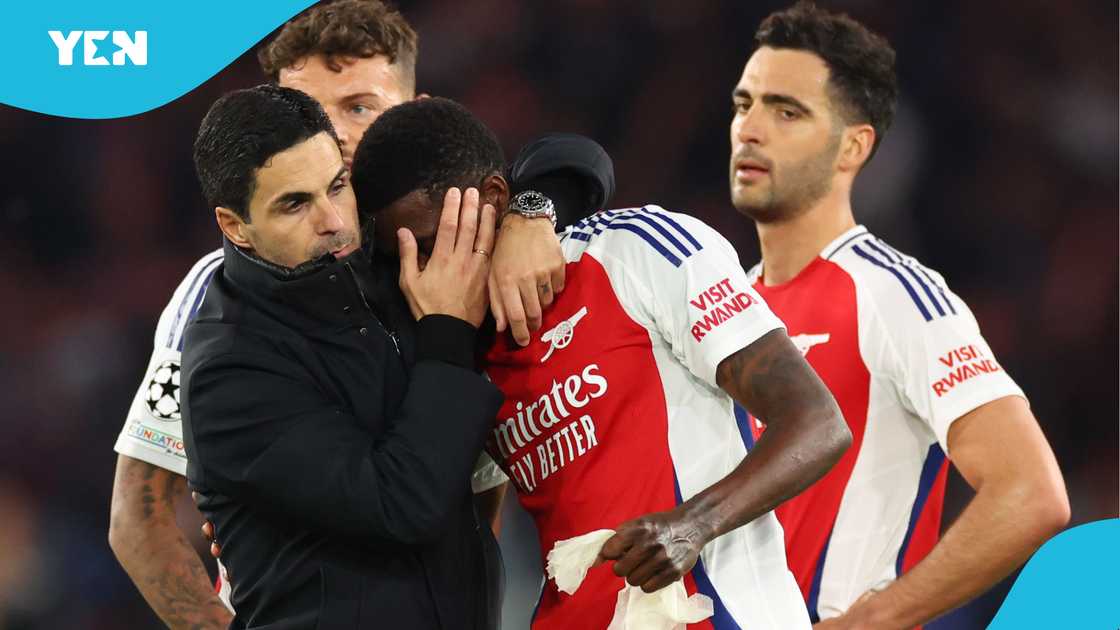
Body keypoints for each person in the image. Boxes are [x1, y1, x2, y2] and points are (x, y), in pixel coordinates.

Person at [107, 2, 587, 626]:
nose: (331, 132)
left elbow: (464, 489)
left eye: (358, 107)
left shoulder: (454, 248)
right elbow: (139, 519)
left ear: (416, 114)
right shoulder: (215, 299)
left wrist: (531, 212)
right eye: (306, 107)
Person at [352, 96, 852, 630]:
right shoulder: (461, 360)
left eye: (432, 245)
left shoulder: (633, 252)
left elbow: (818, 424)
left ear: (495, 198)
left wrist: (692, 526)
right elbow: (476, 538)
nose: (423, 275)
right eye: (400, 258)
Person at [726, 3, 1070, 627]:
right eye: (743, 104)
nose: (750, 129)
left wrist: (872, 620)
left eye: (786, 111)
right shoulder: (726, 309)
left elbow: (1031, 494)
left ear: (853, 147)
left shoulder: (894, 295)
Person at [181, 84, 507, 628]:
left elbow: (556, 162)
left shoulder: (376, 260)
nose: (333, 220)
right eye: (294, 203)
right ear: (236, 226)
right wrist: (447, 331)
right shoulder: (228, 372)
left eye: (337, 186)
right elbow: (402, 504)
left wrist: (533, 215)